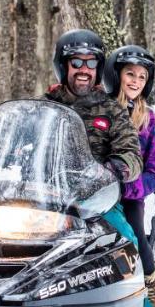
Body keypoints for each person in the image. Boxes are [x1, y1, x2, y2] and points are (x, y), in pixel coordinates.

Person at [45, 29, 142, 248]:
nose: (84, 70)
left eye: (91, 64)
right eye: (77, 62)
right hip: (44, 197)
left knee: (126, 243)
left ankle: (140, 280)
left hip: (95, 200)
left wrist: (116, 167)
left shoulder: (111, 109)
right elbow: (12, 140)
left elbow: (132, 153)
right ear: (63, 65)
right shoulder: (45, 106)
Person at [103, 45, 155, 307]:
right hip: (93, 191)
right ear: (118, 75)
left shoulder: (150, 121)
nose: (136, 82)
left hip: (129, 194)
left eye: (142, 77)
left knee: (135, 235)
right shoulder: (98, 110)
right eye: (131, 74)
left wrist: (133, 187)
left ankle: (150, 283)